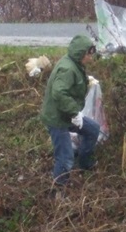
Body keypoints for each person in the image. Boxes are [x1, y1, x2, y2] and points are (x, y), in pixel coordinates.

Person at [39, 34, 101, 195]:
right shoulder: (67, 68)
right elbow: (59, 93)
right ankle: (58, 192)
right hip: (57, 119)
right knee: (65, 157)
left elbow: (70, 83)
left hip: (66, 114)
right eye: (89, 54)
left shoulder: (74, 63)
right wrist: (75, 113)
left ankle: (85, 165)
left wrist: (86, 80)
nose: (91, 57)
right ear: (81, 53)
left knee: (93, 129)